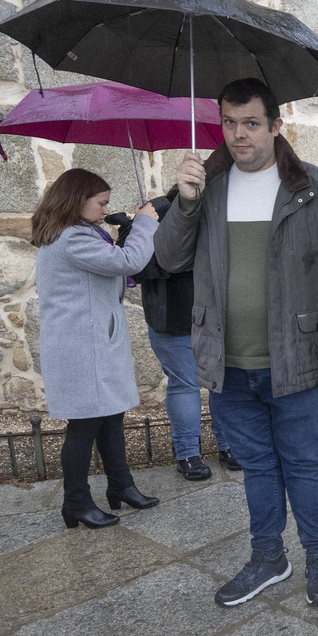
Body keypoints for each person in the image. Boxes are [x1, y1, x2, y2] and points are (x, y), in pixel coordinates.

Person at [155, 78, 318, 608]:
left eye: (250, 123)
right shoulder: (209, 186)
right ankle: (269, 556)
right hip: (227, 363)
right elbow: (170, 258)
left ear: (275, 125)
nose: (238, 134)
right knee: (258, 467)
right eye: (228, 122)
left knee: (302, 462)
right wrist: (185, 201)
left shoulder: (310, 186)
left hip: (293, 360)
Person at [31, 169, 161, 529]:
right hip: (82, 347)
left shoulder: (79, 233)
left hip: (94, 342)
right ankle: (75, 502)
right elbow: (127, 263)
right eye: (101, 203)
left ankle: (120, 486)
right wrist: (147, 225)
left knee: (111, 417)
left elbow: (112, 268)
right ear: (77, 199)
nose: (105, 210)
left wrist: (129, 230)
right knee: (85, 425)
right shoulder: (72, 238)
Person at [116, 193, 239, 482]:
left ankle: (206, 452)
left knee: (203, 385)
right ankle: (210, 450)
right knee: (204, 384)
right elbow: (138, 267)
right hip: (180, 316)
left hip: (201, 317)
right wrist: (136, 227)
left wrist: (136, 227)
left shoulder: (162, 212)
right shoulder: (185, 211)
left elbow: (136, 266)